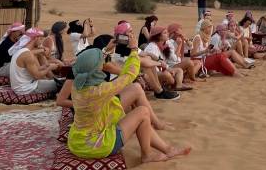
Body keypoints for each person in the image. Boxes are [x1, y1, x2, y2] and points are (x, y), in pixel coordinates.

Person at [67, 32, 190, 163]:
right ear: (96, 70)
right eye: (100, 63)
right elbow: (129, 75)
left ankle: (167, 149)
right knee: (143, 112)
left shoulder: (78, 85)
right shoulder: (99, 91)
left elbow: (93, 65)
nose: (102, 63)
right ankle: (147, 155)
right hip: (95, 146)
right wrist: (133, 49)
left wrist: (106, 50)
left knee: (137, 105)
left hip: (78, 141)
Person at [111, 23, 180, 100]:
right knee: (148, 66)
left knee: (149, 61)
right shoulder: (121, 48)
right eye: (130, 32)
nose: (132, 34)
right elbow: (143, 62)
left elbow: (147, 54)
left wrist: (158, 60)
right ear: (122, 36)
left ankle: (159, 91)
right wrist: (160, 63)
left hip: (131, 75)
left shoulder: (128, 46)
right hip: (120, 79)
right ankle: (159, 92)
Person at [10, 27, 59, 95]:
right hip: (27, 89)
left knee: (58, 81)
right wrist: (50, 68)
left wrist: (44, 66)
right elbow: (37, 76)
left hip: (21, 87)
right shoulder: (28, 55)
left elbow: (29, 70)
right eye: (41, 39)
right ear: (36, 38)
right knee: (63, 83)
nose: (41, 42)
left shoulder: (20, 51)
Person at [143, 26, 189, 92]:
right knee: (168, 75)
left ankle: (178, 86)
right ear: (158, 36)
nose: (168, 34)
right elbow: (152, 65)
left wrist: (169, 69)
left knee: (179, 70)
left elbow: (164, 62)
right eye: (165, 33)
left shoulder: (165, 44)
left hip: (164, 68)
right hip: (153, 72)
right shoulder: (152, 47)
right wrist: (167, 70)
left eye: (167, 32)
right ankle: (165, 84)